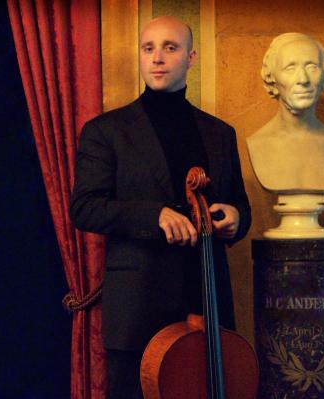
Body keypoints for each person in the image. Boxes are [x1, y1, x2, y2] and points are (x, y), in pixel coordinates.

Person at [69, 16, 251, 398]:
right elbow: (84, 208)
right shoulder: (106, 131)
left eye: (170, 48)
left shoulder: (220, 133)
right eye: (148, 48)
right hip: (139, 305)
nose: (157, 58)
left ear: (191, 57)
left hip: (205, 299)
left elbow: (240, 207)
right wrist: (154, 216)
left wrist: (235, 217)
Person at [247, 33, 324, 193]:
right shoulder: (258, 144)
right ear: (272, 78)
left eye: (312, 67)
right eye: (290, 68)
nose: (303, 79)